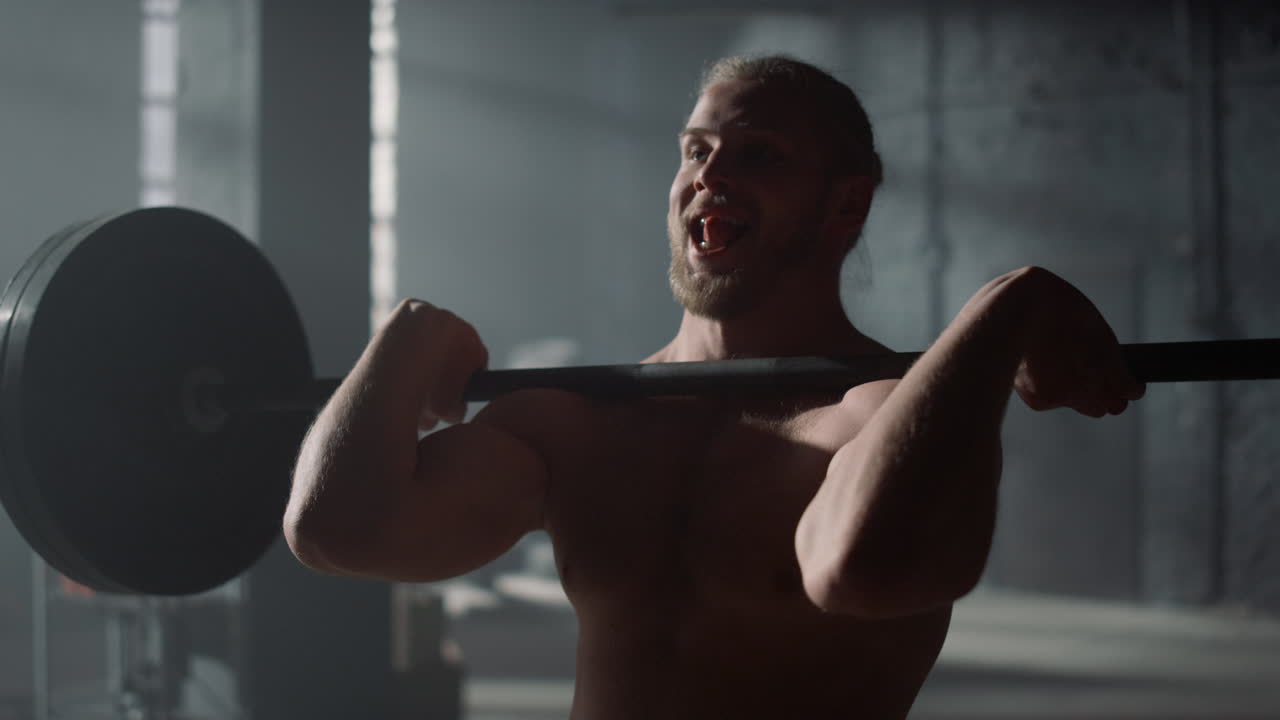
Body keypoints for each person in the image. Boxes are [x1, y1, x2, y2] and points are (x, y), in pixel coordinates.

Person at [283, 55, 1145, 718]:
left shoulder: (872, 415)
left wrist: (1005, 310)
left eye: (757, 154)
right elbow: (336, 532)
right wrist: (406, 338)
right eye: (696, 150)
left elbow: (865, 572)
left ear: (846, 207)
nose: (710, 174)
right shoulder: (579, 422)